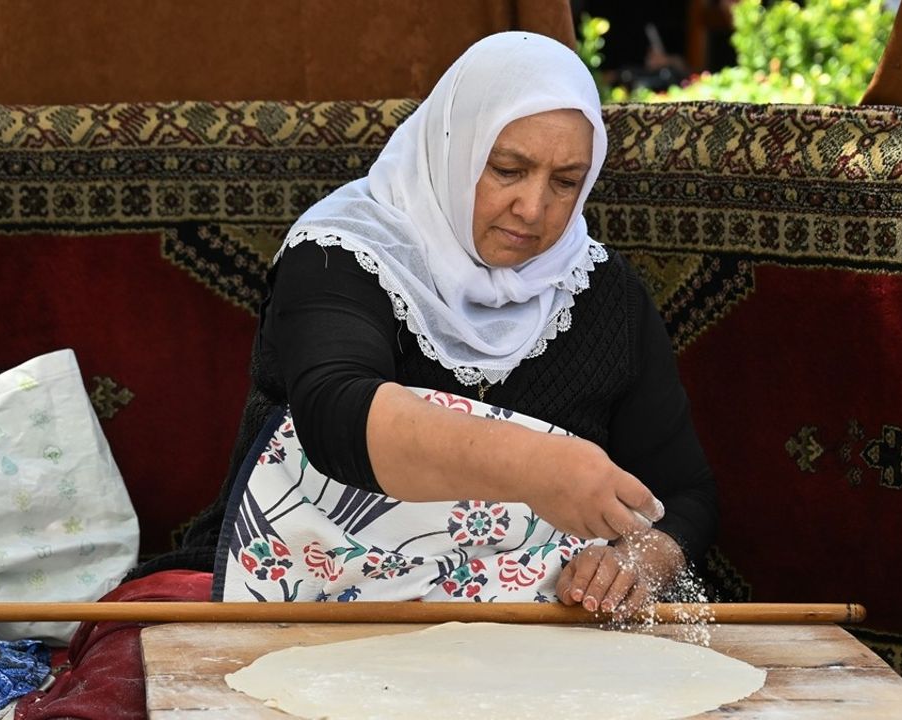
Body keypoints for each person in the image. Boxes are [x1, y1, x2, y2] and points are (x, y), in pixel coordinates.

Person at [201, 31, 718, 617]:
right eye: (507, 169)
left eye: (565, 181)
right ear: (453, 146)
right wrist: (539, 466)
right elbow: (335, 414)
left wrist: (639, 558)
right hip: (301, 600)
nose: (533, 207)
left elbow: (683, 494)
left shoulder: (603, 293)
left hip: (527, 617)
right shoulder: (341, 255)